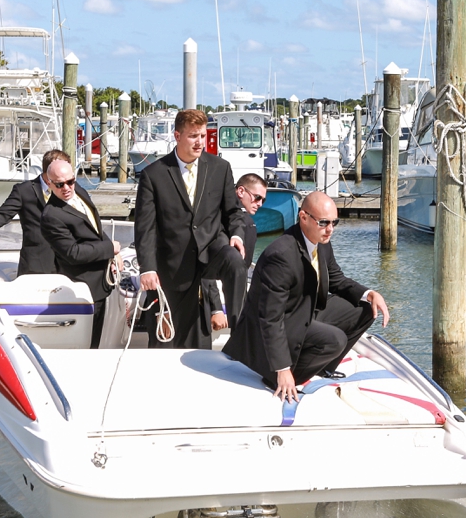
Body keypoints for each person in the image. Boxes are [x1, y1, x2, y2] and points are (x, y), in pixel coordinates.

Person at [225, 189, 389, 400]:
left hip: (303, 313)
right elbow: (270, 318)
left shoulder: (321, 244)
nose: (330, 230)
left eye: (334, 223)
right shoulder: (280, 255)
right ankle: (286, 375)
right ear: (303, 217)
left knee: (366, 307)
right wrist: (281, 369)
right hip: (278, 327)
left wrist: (370, 294)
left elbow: (337, 280)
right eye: (323, 222)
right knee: (335, 340)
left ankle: (321, 367)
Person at [0, 149, 121, 348]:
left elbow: (93, 228)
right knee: (37, 320)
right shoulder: (24, 190)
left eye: (69, 179)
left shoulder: (78, 192)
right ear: (47, 176)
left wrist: (111, 253)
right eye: (58, 181)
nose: (66, 185)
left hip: (72, 268)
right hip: (39, 264)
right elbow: (3, 214)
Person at [134, 108, 249, 347]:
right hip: (171, 269)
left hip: (210, 256)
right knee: (165, 343)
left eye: (203, 136)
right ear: (177, 136)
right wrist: (147, 268)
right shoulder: (153, 175)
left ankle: (242, 332)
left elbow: (233, 212)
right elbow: (145, 227)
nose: (199, 142)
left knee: (235, 261)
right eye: (193, 136)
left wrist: (237, 234)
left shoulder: (220, 168)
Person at [208, 171, 267, 332]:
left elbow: (242, 269)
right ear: (241, 191)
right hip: (211, 295)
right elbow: (205, 259)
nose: (260, 203)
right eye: (257, 197)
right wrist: (216, 308)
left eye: (263, 199)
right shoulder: (216, 217)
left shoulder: (248, 224)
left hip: (233, 293)